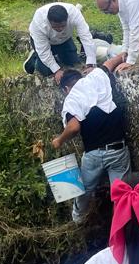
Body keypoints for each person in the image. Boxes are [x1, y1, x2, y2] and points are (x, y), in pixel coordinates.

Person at [51, 66, 131, 223]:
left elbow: (73, 127)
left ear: (66, 88)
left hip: (93, 155)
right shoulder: (97, 79)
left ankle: (77, 220)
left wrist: (59, 140)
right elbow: (108, 64)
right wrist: (122, 57)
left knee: (84, 191)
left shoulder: (72, 99)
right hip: (118, 151)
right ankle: (122, 225)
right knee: (121, 195)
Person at [25, 2, 97, 81]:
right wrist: (56, 71)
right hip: (44, 42)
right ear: (49, 21)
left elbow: (86, 37)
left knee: (73, 62)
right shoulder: (39, 22)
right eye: (55, 26)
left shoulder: (74, 14)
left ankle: (56, 56)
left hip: (64, 38)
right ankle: (34, 58)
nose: (59, 29)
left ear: (67, 19)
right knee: (47, 71)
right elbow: (43, 51)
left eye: (62, 25)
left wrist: (91, 63)